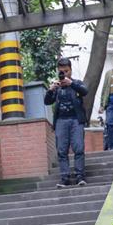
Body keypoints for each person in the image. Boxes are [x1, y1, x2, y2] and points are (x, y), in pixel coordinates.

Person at [45, 58, 89, 187]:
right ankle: (64, 178)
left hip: (76, 120)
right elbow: (47, 102)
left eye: (66, 71)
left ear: (71, 70)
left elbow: (85, 91)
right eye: (61, 71)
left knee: (78, 148)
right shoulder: (57, 86)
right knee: (61, 150)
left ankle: (80, 176)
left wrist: (71, 83)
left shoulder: (76, 83)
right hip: (61, 121)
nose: (64, 74)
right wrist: (50, 90)